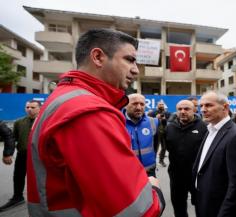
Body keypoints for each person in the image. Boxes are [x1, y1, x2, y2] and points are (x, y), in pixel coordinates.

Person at [26, 28, 164, 217]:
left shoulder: (65, 99)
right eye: (129, 60)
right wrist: (155, 192)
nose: (135, 70)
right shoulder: (87, 111)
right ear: (98, 57)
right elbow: (137, 211)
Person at [192, 91, 236, 217]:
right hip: (204, 202)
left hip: (221, 208)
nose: (203, 109)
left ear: (225, 107)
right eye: (201, 106)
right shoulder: (210, 129)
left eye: (208, 105)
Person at [165, 100, 207, 217]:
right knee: (178, 207)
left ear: (194, 110)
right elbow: (168, 147)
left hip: (197, 176)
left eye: (187, 109)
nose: (183, 111)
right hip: (176, 176)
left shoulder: (204, 127)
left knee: (201, 206)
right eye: (180, 109)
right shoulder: (170, 128)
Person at [0, 100, 40, 212]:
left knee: (39, 178)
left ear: (39, 108)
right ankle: (17, 197)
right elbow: (12, 139)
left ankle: (42, 199)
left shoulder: (44, 121)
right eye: (27, 107)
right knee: (18, 176)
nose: (30, 109)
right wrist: (9, 153)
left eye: (33, 107)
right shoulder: (19, 122)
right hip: (22, 154)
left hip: (38, 156)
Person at [123, 93, 159, 177]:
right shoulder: (117, 121)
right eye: (134, 104)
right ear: (125, 105)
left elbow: (156, 145)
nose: (139, 107)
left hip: (149, 171)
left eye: (142, 104)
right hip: (127, 172)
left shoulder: (153, 122)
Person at [151, 101, 170, 167]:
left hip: (164, 132)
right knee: (155, 148)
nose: (161, 105)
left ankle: (161, 161)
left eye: (162, 104)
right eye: (160, 104)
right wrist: (156, 118)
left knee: (164, 147)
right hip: (156, 133)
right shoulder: (152, 113)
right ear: (157, 105)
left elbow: (170, 122)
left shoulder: (167, 113)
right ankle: (153, 161)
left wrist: (164, 119)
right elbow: (148, 122)